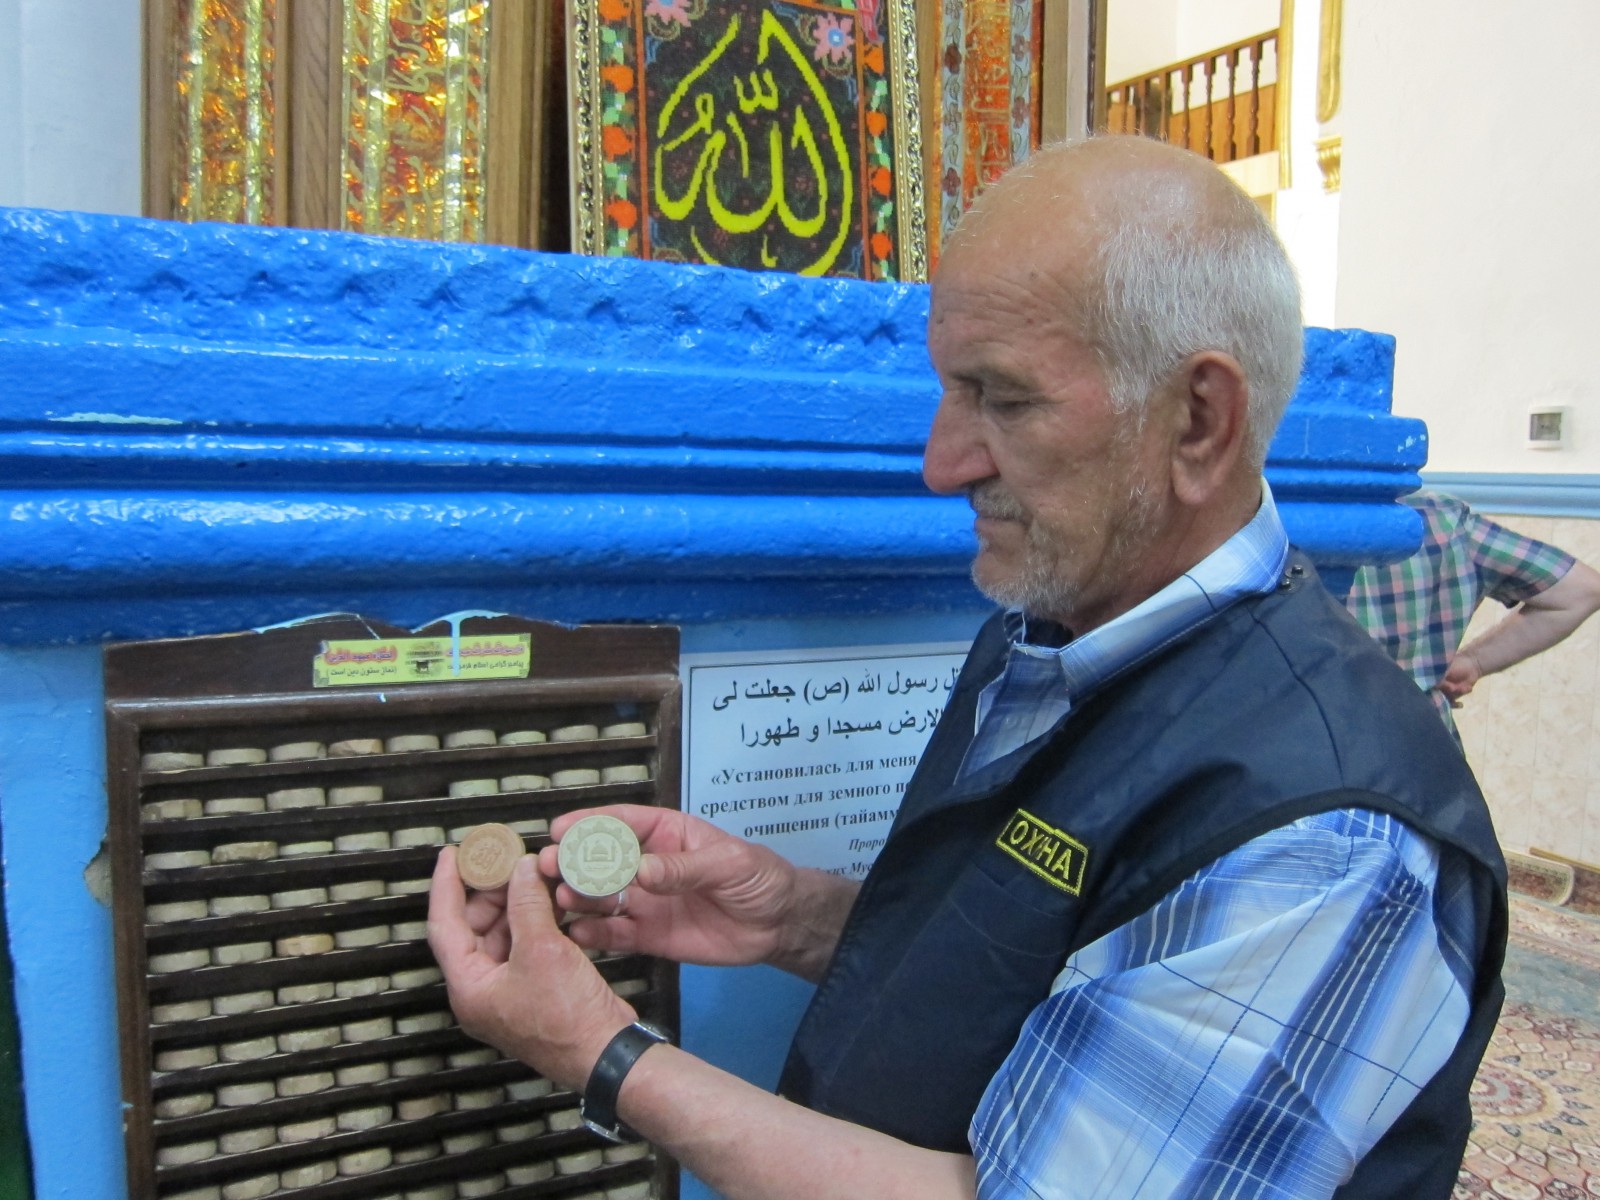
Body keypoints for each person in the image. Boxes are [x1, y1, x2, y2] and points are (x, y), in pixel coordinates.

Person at [429, 137, 1506, 1199]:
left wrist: (605, 1055)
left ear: (1197, 421)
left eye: (1006, 399)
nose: (942, 465)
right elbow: (1050, 969)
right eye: (951, 390)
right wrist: (791, 916)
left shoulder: (1326, 837)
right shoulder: (1051, 628)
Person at [1347, 489, 1600, 741]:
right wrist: (1474, 661)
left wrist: (1474, 661)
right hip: (1421, 749)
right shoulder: (1440, 518)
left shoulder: (1319, 521)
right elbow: (1580, 591)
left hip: (1329, 751)